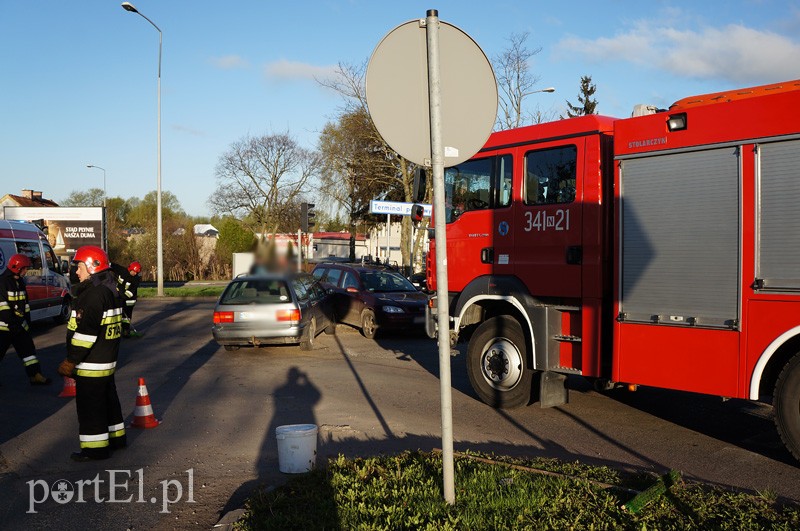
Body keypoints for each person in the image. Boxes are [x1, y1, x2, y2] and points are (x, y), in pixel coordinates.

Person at [57, 246, 126, 461]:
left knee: (91, 409)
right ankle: (117, 440)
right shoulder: (111, 291)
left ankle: (95, 450)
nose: (76, 271)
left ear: (92, 266)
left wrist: (71, 360)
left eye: (79, 266)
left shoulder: (94, 295)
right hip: (106, 361)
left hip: (91, 364)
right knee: (109, 402)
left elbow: (86, 334)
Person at [0, 254, 52, 385]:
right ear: (16, 267)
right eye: (24, 268)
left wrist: (27, 323)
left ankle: (35, 375)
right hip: (4, 328)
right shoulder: (2, 282)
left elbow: (25, 305)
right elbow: (3, 308)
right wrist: (15, 325)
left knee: (29, 352)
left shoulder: (20, 282)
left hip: (19, 326)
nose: (26, 271)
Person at [111, 261, 142, 337]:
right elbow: (114, 266)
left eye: (136, 272)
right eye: (133, 271)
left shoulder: (136, 279)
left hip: (129, 300)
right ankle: (117, 328)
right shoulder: (122, 271)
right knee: (117, 313)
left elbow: (130, 292)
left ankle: (126, 330)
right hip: (120, 297)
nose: (134, 273)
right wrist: (108, 264)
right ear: (130, 269)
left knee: (126, 316)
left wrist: (122, 297)